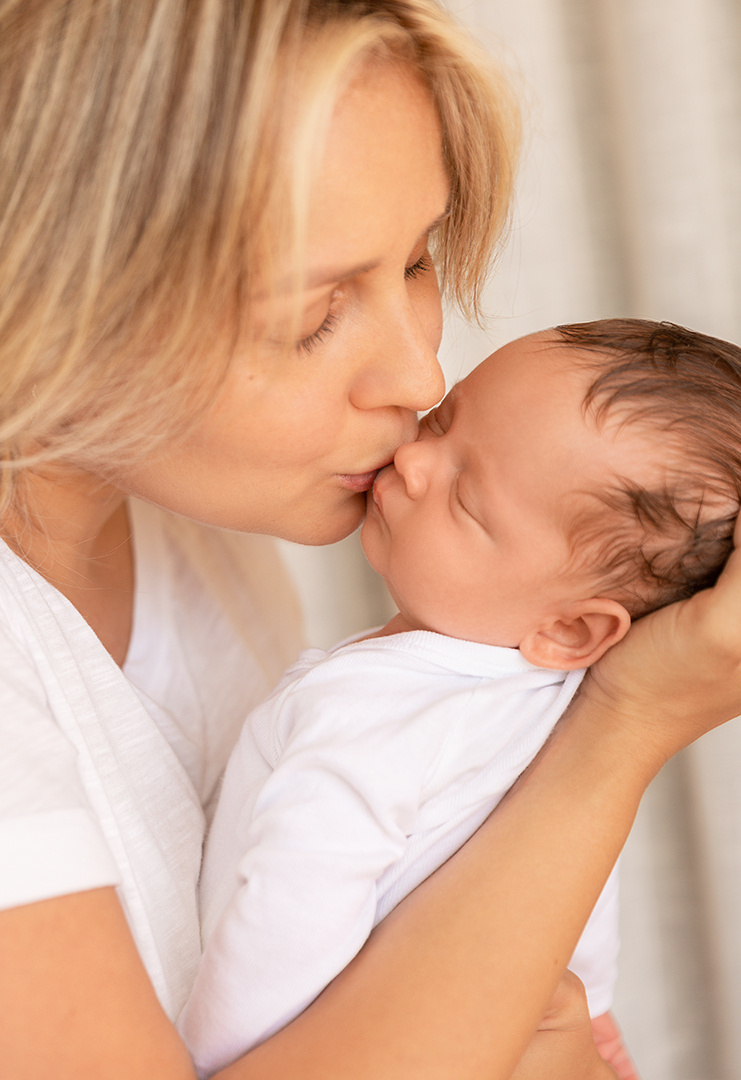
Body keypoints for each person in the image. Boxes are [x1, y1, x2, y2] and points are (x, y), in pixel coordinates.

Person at [1, 3, 741, 1079]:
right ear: (55, 292)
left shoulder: (202, 542)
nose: (420, 381)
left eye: (416, 263)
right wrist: (625, 725)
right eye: (312, 317)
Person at [180, 317, 741, 1077]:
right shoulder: (561, 715)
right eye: (442, 421)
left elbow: (288, 916)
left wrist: (201, 1054)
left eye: (468, 502)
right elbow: (569, 895)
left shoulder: (370, 719)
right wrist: (596, 1008)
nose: (410, 460)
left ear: (572, 629)